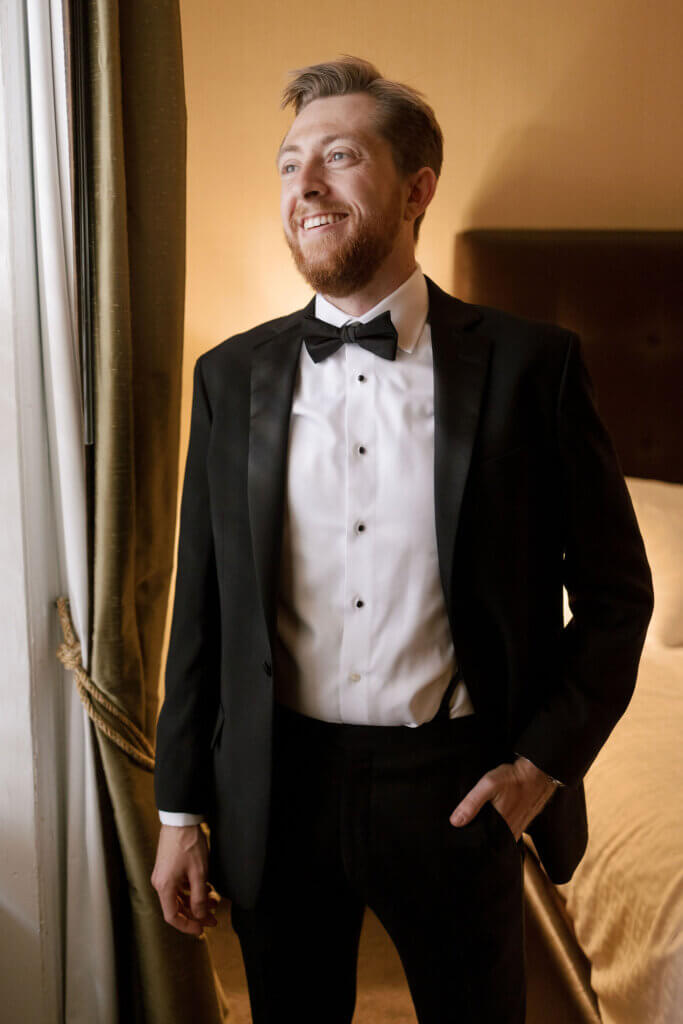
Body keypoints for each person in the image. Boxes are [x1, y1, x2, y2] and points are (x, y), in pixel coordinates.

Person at [151, 56, 653, 1023]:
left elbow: (615, 597)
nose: (304, 185)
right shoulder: (229, 378)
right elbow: (202, 608)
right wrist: (180, 810)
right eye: (290, 163)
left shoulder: (530, 369)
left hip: (456, 788)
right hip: (277, 787)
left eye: (339, 157)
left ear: (418, 188)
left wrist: (541, 766)